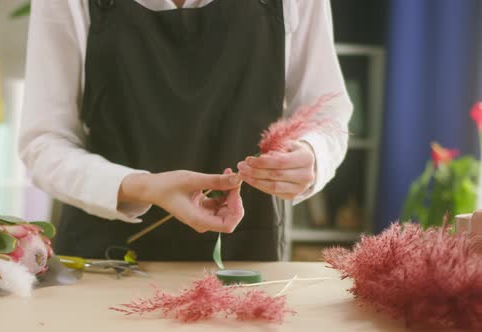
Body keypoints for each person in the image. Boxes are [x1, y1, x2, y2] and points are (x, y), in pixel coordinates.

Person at [20, 0, 352, 261]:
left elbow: (326, 112)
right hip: (106, 259)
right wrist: (142, 187)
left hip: (244, 261)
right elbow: (43, 141)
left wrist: (313, 154)